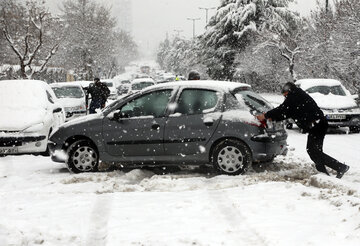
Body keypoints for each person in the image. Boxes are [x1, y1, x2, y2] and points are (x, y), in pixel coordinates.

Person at [256, 82, 350, 179]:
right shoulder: (297, 95)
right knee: (315, 151)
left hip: (317, 125)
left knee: (313, 151)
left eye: (285, 95)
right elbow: (287, 112)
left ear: (289, 91)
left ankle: (340, 167)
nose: (285, 98)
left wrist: (266, 116)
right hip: (318, 124)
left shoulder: (294, 97)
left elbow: (283, 109)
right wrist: (273, 117)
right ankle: (323, 172)